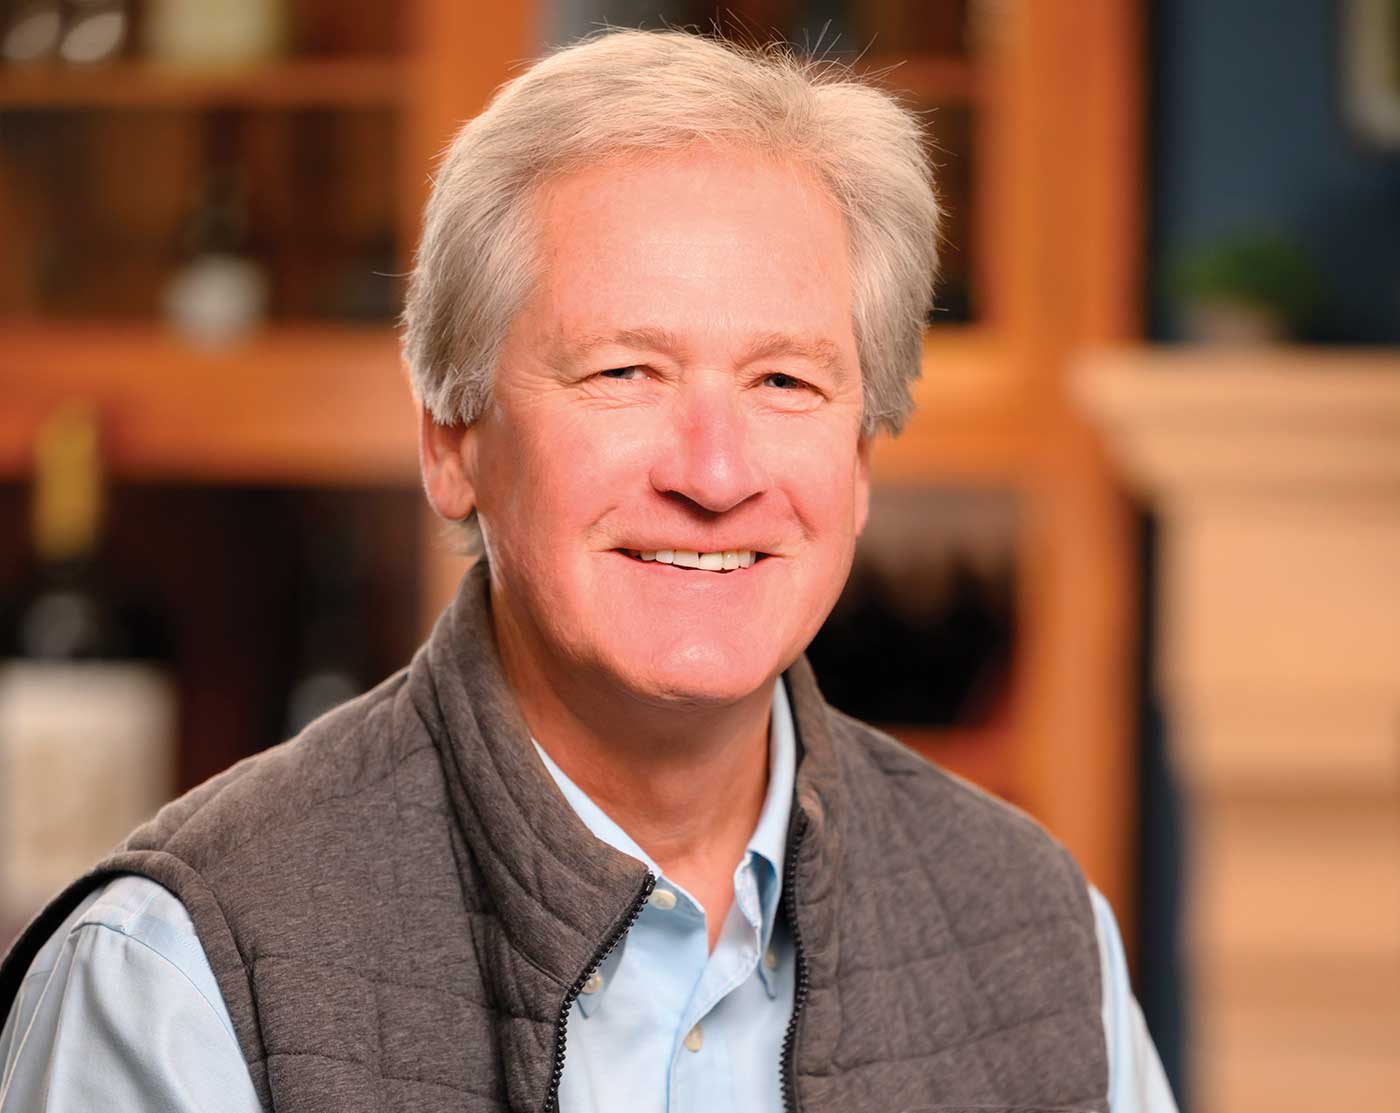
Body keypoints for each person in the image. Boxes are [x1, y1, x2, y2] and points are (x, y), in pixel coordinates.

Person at [0, 28, 1175, 1113]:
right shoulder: (180, 971)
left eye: (785, 382)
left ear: (859, 461)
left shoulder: (1037, 938)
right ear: (451, 442)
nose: (715, 474)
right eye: (625, 373)